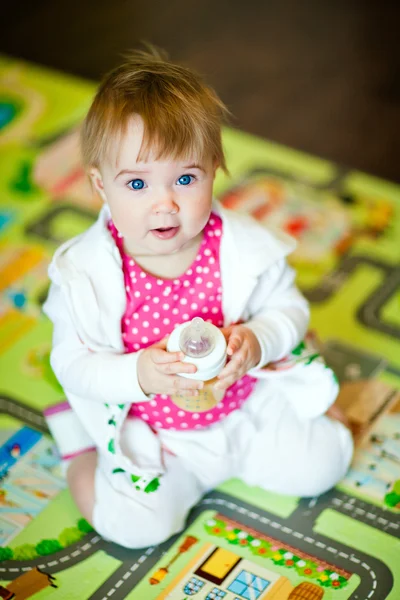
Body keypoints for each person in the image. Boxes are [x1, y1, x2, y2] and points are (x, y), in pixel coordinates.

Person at [43, 46, 353, 549]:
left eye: (185, 179)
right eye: (138, 183)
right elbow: (72, 363)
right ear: (101, 186)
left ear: (214, 170)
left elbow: (290, 309)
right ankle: (79, 451)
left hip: (244, 407)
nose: (165, 204)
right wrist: (137, 374)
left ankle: (318, 398)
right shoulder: (85, 273)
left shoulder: (241, 248)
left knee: (324, 463)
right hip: (160, 438)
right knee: (134, 527)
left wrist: (258, 339)